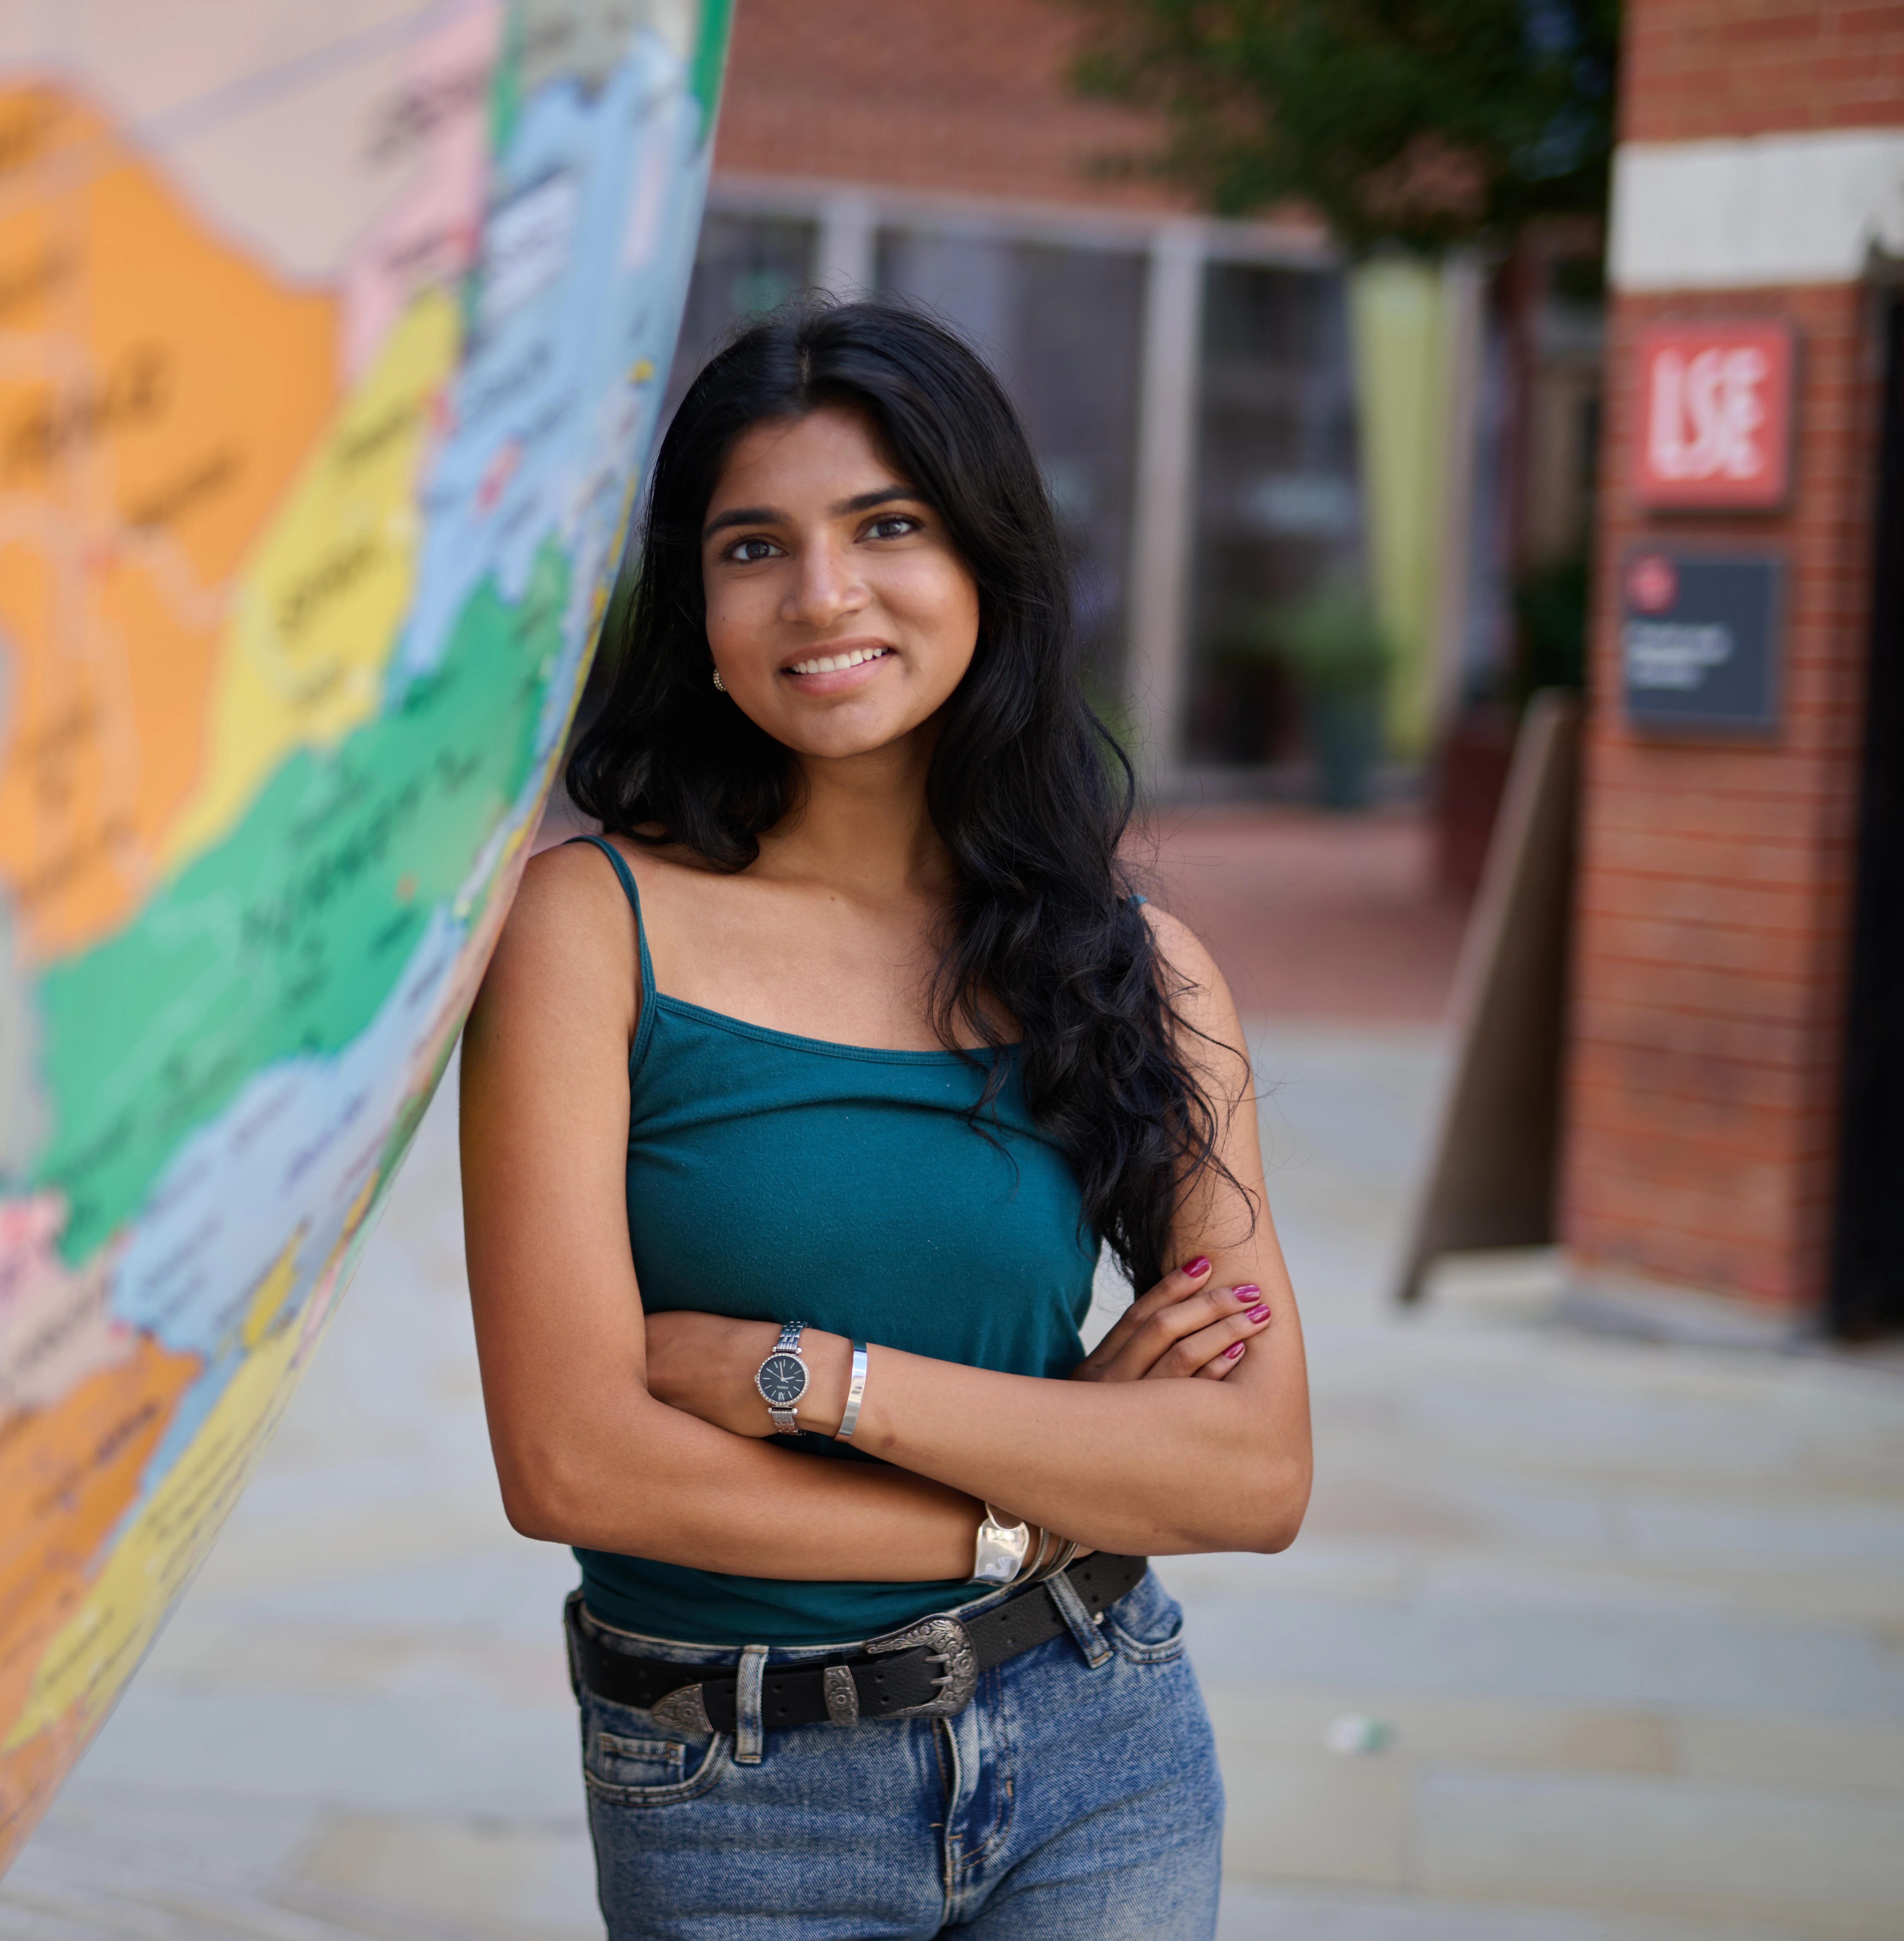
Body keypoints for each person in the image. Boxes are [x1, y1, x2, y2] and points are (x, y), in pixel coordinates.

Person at [459, 299, 1310, 1938]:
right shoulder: (590, 930)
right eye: (754, 545)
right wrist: (1040, 1503)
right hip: (743, 1785)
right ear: (695, 605)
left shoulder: (1141, 968)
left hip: (1103, 1745)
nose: (824, 594)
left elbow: (1255, 1464)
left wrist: (812, 1380)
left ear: (987, 561)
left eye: (888, 526)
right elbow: (572, 1457)